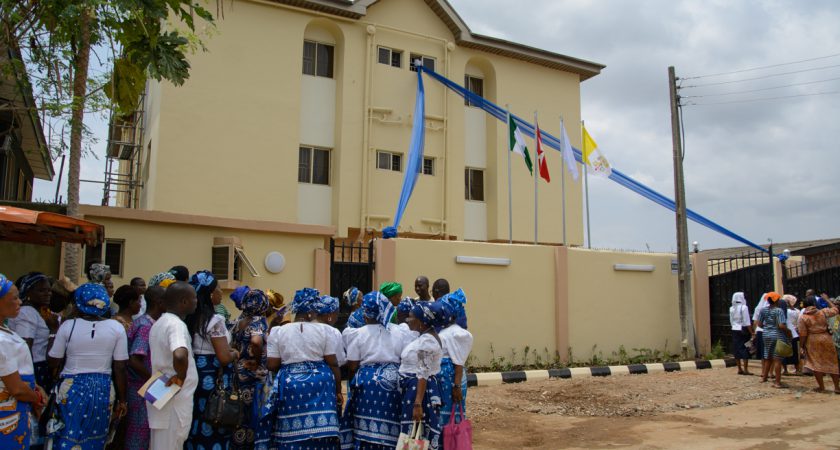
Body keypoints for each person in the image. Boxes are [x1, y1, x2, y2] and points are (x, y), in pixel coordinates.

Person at [47, 283, 129, 449]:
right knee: (97, 436)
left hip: (71, 387)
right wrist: (123, 400)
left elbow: (53, 361)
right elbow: (120, 368)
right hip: (103, 388)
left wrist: (53, 331)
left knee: (67, 433)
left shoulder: (68, 326)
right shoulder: (117, 328)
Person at [264, 287, 341, 449]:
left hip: (290, 383)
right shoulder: (324, 330)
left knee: (289, 432)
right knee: (322, 433)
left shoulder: (279, 331)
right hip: (321, 384)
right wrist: (338, 389)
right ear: (310, 313)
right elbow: (332, 362)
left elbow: (272, 364)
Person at [340, 291, 406, 449]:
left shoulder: (358, 334)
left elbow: (353, 365)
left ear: (366, 313)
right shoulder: (400, 331)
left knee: (364, 429)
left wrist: (353, 385)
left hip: (367, 384)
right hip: (394, 383)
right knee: (394, 421)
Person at [185, 271, 239, 450]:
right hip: (212, 374)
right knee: (214, 416)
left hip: (195, 370)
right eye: (217, 289)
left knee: (197, 416)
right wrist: (234, 353)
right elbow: (223, 357)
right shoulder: (214, 321)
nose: (221, 292)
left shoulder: (189, 318)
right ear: (209, 294)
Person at [148, 281, 198, 449]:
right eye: (194, 298)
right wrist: (181, 377)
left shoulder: (160, 322)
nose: (196, 302)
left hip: (161, 393)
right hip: (173, 399)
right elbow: (179, 354)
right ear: (184, 301)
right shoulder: (176, 325)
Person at [0, 274, 47, 450]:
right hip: (8, 415)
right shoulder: (1, 341)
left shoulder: (5, 331)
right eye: (14, 298)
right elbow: (17, 389)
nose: (20, 302)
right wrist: (38, 398)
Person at [398, 301, 445, 450]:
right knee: (416, 435)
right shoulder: (425, 337)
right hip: (417, 391)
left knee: (416, 435)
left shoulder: (427, 341)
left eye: (411, 317)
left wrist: (417, 404)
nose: (407, 320)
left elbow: (423, 372)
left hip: (420, 394)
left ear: (421, 321)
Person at [125, 286, 165, 450]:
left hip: (146, 386)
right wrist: (157, 383)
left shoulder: (149, 323)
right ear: (158, 302)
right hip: (142, 388)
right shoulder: (146, 326)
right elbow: (135, 359)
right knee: (139, 431)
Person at [230, 288, 271, 449]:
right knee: (253, 413)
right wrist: (257, 359)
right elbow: (256, 341)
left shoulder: (240, 321)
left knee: (240, 413)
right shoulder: (258, 321)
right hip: (253, 375)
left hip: (238, 371)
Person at [9, 272, 58, 391]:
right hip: (33, 367)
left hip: (38, 367)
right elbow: (24, 346)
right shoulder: (27, 313)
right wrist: (30, 379)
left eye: (49, 290)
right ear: (28, 292)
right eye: (41, 291)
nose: (48, 294)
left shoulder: (37, 312)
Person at [437, 289, 473, 433]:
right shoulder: (452, 331)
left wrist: (456, 385)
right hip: (453, 379)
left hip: (450, 379)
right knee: (451, 413)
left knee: (447, 415)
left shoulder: (454, 334)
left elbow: (458, 362)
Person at [798, 296, 840, 393]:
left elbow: (803, 334)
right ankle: (837, 387)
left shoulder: (803, 317)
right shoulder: (823, 312)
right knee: (832, 362)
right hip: (826, 338)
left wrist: (801, 346)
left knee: (816, 363)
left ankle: (821, 387)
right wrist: (826, 299)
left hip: (812, 340)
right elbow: (836, 310)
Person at [753, 292, 788, 388]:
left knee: (767, 357)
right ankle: (777, 382)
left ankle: (764, 377)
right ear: (776, 300)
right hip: (777, 335)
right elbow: (781, 325)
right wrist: (787, 330)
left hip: (766, 334)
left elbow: (759, 324)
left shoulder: (763, 310)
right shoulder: (779, 311)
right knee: (777, 359)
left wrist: (768, 326)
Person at [314, 295, 345, 368]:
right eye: (336, 314)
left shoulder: (306, 327)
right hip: (325, 373)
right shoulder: (333, 332)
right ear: (330, 315)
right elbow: (340, 360)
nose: (337, 318)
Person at [729, 292, 753, 375]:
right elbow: (747, 321)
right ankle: (746, 369)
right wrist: (752, 332)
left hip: (734, 329)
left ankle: (739, 368)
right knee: (745, 348)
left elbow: (731, 321)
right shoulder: (744, 307)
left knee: (737, 348)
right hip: (743, 329)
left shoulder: (731, 308)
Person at [782, 295, 801, 376]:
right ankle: (797, 369)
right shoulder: (796, 311)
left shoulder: (782, 311)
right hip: (794, 333)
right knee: (795, 352)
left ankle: (785, 370)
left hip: (785, 333)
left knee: (784, 352)